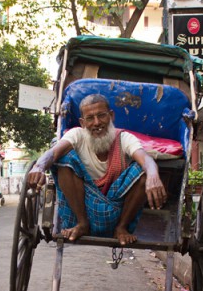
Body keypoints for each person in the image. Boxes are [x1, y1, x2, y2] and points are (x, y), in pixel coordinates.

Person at [27, 94, 167, 245]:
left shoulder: (124, 138)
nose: (97, 123)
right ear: (82, 122)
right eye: (90, 118)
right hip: (82, 207)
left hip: (118, 209)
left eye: (102, 116)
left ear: (111, 116)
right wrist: (39, 167)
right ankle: (82, 224)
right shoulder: (76, 135)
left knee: (144, 171)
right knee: (63, 159)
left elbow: (145, 158)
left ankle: (121, 228)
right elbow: (54, 153)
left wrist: (153, 175)